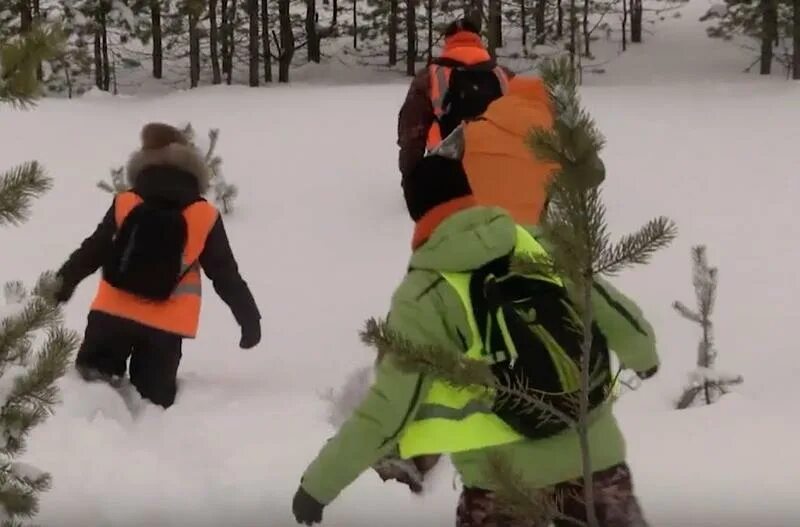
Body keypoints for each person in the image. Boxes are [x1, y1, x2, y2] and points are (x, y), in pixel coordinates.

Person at [292, 155, 659, 527]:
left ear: (416, 211)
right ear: (468, 190)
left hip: (502, 485)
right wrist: (644, 357)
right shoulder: (534, 241)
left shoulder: (424, 294)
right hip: (594, 462)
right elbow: (613, 310)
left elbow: (389, 410)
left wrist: (319, 486)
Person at [54, 122, 262, 409]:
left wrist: (61, 285)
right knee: (153, 405)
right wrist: (249, 319)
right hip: (166, 328)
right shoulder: (204, 215)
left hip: (111, 316)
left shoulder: (126, 202)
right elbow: (226, 275)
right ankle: (146, 445)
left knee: (89, 397)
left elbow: (93, 249)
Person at [431, 74, 605, 225]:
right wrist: (574, 129)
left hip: (475, 239)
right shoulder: (555, 145)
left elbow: (429, 173)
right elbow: (595, 174)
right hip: (528, 244)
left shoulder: (468, 132)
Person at [397, 18, 514, 181]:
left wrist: (411, 179)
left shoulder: (431, 76)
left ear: (447, 40)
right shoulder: (504, 75)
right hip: (500, 172)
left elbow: (411, 132)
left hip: (448, 174)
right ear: (478, 39)